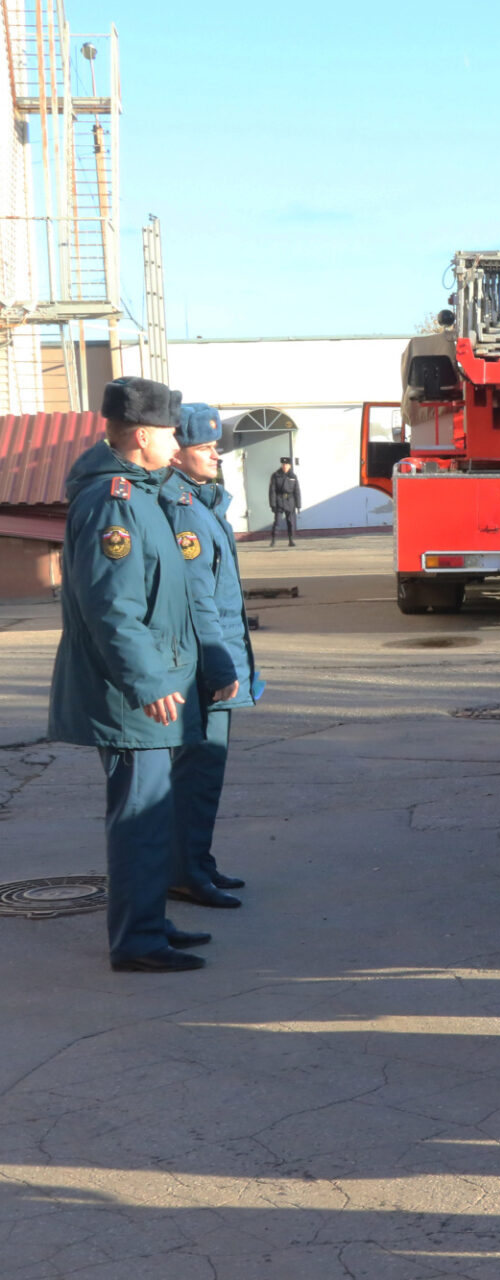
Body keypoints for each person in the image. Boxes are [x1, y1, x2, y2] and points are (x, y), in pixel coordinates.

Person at [48, 377, 236, 972]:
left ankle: (150, 919)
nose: (178, 443)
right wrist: (151, 682)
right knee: (140, 819)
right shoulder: (116, 500)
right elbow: (113, 608)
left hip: (159, 680)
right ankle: (136, 940)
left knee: (153, 814)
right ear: (141, 436)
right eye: (170, 433)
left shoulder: (142, 491)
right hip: (136, 693)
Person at [160, 403, 263, 911]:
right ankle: (183, 872)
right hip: (203, 665)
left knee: (207, 772)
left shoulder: (201, 502)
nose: (216, 455)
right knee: (197, 774)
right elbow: (198, 597)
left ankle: (197, 862)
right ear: (177, 452)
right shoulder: (184, 509)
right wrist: (221, 668)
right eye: (205, 447)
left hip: (214, 657)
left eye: (215, 445)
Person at [268, 457, 301, 547]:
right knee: (277, 522)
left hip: (290, 501)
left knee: (290, 522)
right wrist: (273, 504)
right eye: (283, 464)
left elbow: (297, 491)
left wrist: (298, 505)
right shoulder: (276, 475)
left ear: (290, 465)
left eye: (286, 464)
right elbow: (272, 491)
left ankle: (291, 540)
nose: (284, 466)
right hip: (279, 501)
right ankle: (273, 540)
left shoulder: (293, 476)